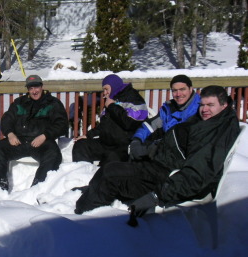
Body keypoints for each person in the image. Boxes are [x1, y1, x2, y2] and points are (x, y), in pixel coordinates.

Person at [75, 85, 240, 217]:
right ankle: (92, 192)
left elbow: (197, 173)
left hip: (166, 177)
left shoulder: (216, 133)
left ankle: (83, 219)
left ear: (224, 105)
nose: (205, 109)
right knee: (109, 169)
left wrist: (156, 196)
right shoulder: (210, 122)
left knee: (110, 175)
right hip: (160, 164)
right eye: (203, 105)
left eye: (211, 105)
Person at [0, 75, 69, 191]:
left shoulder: (53, 103)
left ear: (42, 86)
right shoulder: (19, 103)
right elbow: (7, 119)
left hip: (42, 142)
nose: (34, 91)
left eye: (36, 87)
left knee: (53, 154)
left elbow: (62, 124)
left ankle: (40, 186)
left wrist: (45, 135)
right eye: (31, 88)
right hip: (19, 141)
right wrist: (10, 134)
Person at [72, 74, 148, 165]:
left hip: (123, 146)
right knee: (81, 145)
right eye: (103, 90)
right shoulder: (111, 100)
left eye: (106, 89)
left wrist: (112, 106)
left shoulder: (133, 97)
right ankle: (81, 175)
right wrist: (89, 135)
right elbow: (104, 126)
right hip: (106, 143)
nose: (104, 93)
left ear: (114, 86)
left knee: (109, 161)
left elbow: (129, 122)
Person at [129, 75, 201, 161]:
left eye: (182, 89)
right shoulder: (169, 108)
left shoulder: (200, 108)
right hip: (162, 150)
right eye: (174, 90)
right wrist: (137, 139)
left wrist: (154, 147)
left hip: (181, 156)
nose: (178, 94)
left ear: (190, 89)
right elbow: (151, 125)